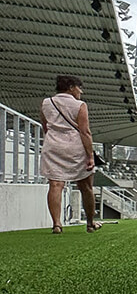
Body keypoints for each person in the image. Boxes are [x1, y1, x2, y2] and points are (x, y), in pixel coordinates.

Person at [39, 75, 99, 234]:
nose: (81, 91)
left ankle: (57, 224)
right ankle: (90, 222)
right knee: (86, 186)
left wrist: (53, 137)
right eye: (79, 87)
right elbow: (85, 132)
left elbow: (45, 125)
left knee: (55, 185)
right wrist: (90, 155)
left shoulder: (46, 103)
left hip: (53, 146)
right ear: (71, 87)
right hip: (74, 147)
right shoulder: (80, 105)